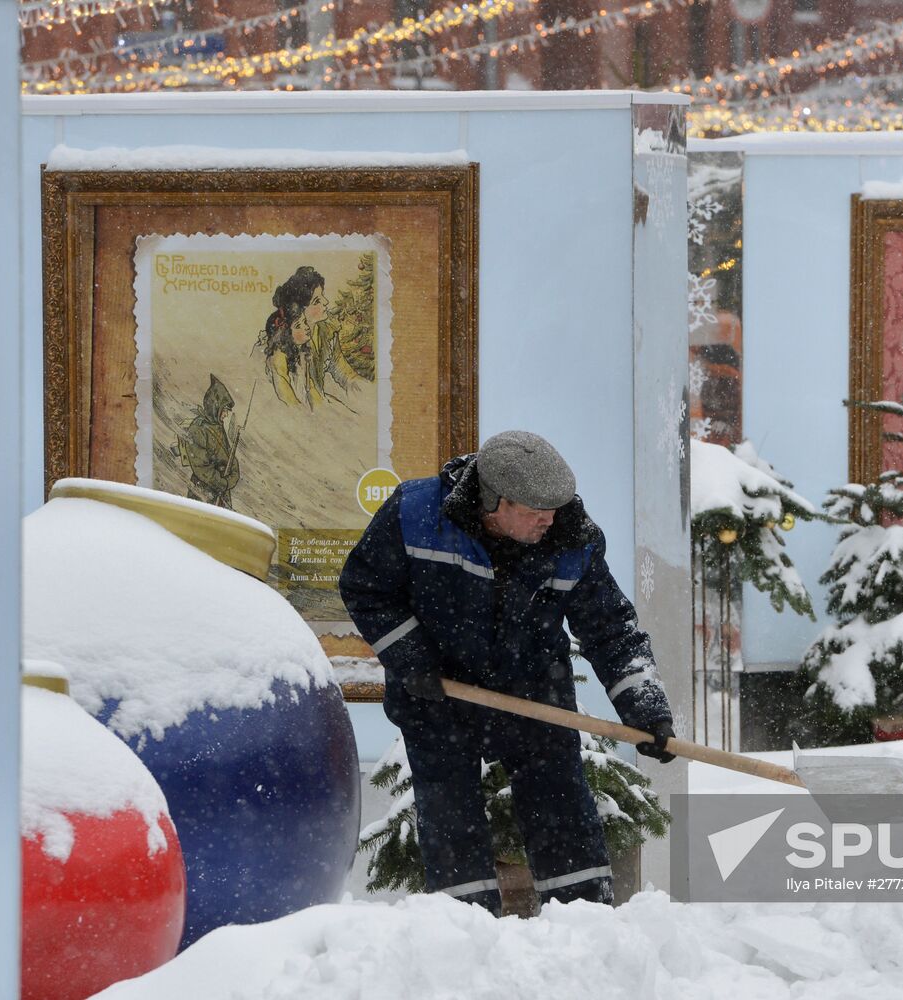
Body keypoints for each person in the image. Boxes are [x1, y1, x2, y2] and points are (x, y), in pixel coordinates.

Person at [338, 431, 676, 915]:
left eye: (555, 507)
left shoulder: (573, 540)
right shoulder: (415, 515)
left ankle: (588, 927)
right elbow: (365, 587)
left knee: (562, 808)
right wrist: (412, 659)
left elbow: (611, 629)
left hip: (533, 691)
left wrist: (644, 706)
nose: (549, 519)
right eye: (535, 509)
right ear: (494, 501)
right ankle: (468, 935)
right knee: (450, 820)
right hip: (437, 694)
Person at [260, 266, 358, 409]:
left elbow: (343, 373)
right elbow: (286, 397)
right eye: (317, 301)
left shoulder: (325, 333)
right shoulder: (279, 350)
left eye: (322, 296)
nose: (326, 302)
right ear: (299, 310)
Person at [179, 374, 240, 509]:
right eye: (224, 410)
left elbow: (228, 455)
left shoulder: (218, 425)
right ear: (215, 407)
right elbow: (201, 467)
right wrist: (222, 483)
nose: (226, 414)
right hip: (203, 490)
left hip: (221, 489)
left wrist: (233, 475)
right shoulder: (198, 428)